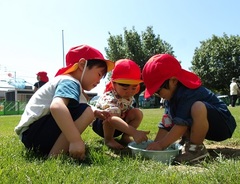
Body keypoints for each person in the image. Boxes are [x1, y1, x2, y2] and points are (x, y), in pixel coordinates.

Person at [14, 45, 115, 160]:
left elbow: (79, 106)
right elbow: (57, 106)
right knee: (86, 112)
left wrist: (95, 111)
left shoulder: (70, 83)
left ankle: (57, 150)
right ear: (82, 65)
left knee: (86, 110)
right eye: (99, 74)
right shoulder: (70, 82)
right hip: (35, 134)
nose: (99, 81)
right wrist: (75, 140)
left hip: (32, 135)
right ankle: (55, 156)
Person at [142, 54, 237, 164]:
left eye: (158, 91)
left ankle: (196, 150)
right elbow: (166, 123)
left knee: (197, 107)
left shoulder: (189, 92)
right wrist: (154, 146)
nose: (158, 95)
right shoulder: (170, 98)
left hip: (223, 125)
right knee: (180, 116)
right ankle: (188, 142)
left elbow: (181, 125)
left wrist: (162, 145)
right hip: (207, 125)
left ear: (173, 81)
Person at [92, 59, 149, 149]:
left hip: (119, 126)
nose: (129, 91)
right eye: (125, 88)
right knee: (114, 111)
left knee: (137, 112)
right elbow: (110, 118)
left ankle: (125, 137)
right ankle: (108, 139)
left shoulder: (129, 97)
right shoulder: (109, 97)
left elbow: (129, 111)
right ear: (113, 84)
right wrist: (134, 132)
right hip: (102, 125)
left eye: (134, 88)